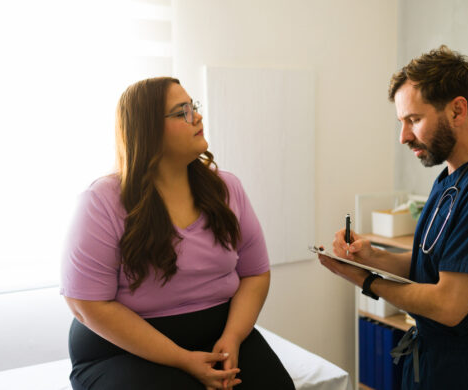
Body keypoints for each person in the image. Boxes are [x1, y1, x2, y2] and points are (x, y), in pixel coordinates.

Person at [317, 46, 468, 389]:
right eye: (401, 122)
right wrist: (370, 257)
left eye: (414, 120)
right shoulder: (451, 176)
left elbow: (448, 305)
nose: (403, 136)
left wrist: (366, 281)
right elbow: (431, 262)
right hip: (433, 359)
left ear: (457, 110)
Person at [61, 77, 295, 390]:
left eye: (193, 107)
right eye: (181, 111)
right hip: (121, 350)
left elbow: (254, 274)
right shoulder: (102, 201)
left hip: (220, 333)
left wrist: (233, 337)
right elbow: (86, 305)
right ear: (149, 130)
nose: (197, 116)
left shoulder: (227, 189)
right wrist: (182, 359)